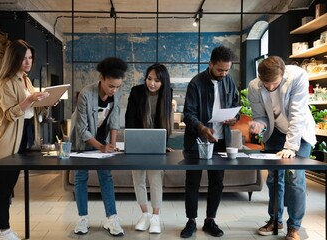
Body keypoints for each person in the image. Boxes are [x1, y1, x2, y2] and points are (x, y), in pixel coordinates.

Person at [248, 56, 316, 240]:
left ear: (283, 75)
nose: (269, 87)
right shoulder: (254, 86)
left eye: (274, 83)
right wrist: (258, 124)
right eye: (266, 83)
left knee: (294, 177)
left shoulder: (298, 77)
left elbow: (297, 114)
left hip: (298, 134)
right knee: (273, 177)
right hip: (276, 132)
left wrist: (291, 148)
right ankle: (274, 220)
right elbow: (260, 115)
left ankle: (293, 227)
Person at [0, 40, 50, 240]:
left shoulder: (26, 80)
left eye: (30, 58)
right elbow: (10, 115)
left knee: (6, 184)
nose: (27, 62)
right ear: (14, 58)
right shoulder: (5, 83)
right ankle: (4, 230)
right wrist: (30, 99)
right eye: (23, 58)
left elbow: (31, 111)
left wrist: (47, 102)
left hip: (25, 135)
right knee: (4, 186)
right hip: (7, 139)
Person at [181, 45, 240, 238]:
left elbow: (235, 107)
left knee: (217, 182)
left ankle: (210, 221)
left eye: (226, 70)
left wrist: (234, 118)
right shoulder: (196, 83)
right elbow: (187, 114)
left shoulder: (229, 81)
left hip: (221, 140)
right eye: (220, 69)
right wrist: (202, 128)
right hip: (197, 139)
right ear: (210, 64)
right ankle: (191, 222)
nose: (223, 73)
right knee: (193, 182)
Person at [70, 57, 127, 237]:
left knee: (106, 177)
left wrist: (112, 144)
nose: (114, 90)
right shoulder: (86, 94)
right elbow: (82, 130)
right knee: (80, 177)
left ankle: (112, 218)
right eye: (111, 86)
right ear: (101, 78)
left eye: (118, 86)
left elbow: (115, 121)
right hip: (83, 142)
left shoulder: (116, 94)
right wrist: (101, 147)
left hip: (102, 141)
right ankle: (83, 219)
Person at [125, 63, 173, 234]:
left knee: (155, 180)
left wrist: (163, 143)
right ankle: (144, 214)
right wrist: (130, 142)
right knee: (137, 179)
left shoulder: (167, 94)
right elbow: (129, 119)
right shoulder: (136, 92)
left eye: (157, 80)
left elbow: (166, 122)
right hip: (137, 142)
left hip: (155, 145)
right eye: (149, 79)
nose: (152, 83)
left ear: (163, 82)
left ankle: (155, 217)